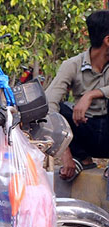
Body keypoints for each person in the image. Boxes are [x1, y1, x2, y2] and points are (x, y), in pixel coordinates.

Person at [46, 10, 109, 181]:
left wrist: (91, 95)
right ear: (107, 41)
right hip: (85, 132)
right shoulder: (72, 65)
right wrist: (64, 152)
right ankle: (82, 159)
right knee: (59, 108)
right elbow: (48, 104)